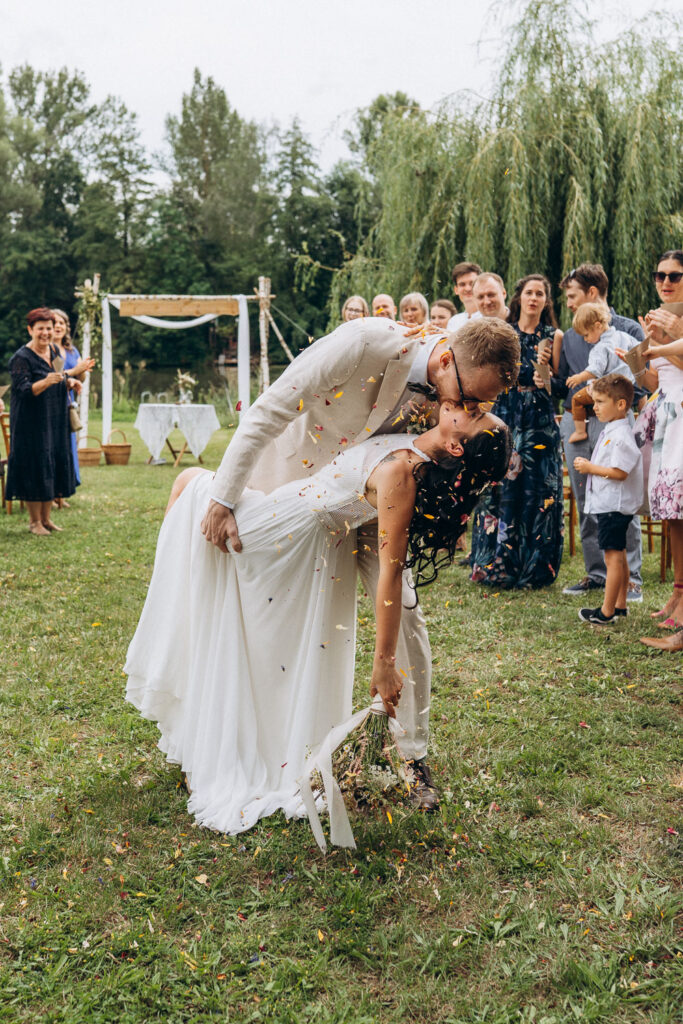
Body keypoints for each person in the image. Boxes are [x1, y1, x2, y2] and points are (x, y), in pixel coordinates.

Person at [126, 404, 511, 839]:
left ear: (456, 444)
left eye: (477, 415)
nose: (474, 406)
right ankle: (202, 718)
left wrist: (384, 661)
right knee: (194, 515)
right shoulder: (414, 432)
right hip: (290, 514)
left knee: (186, 483)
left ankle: (204, 726)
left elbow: (390, 571)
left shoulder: (402, 477)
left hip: (285, 531)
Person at [200, 316, 521, 808]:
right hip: (299, 488)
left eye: (481, 405)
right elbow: (272, 408)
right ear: (444, 360)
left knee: (407, 615)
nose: (469, 408)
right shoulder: (363, 343)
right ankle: (262, 734)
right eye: (471, 398)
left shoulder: (447, 393)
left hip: (379, 498)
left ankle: (412, 758)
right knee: (278, 622)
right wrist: (224, 497)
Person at [555, 263, 644, 602]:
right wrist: (544, 377)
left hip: (614, 421)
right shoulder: (574, 332)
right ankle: (597, 574)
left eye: (572, 296)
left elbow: (642, 376)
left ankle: (630, 579)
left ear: (592, 293)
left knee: (620, 497)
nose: (569, 303)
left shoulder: (628, 330)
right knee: (587, 496)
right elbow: (561, 379)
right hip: (575, 418)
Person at [470, 274, 564, 588]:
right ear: (519, 297)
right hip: (507, 415)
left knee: (538, 494)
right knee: (499, 490)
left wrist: (547, 379)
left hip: (539, 423)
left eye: (540, 293)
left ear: (546, 301)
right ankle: (495, 567)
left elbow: (561, 386)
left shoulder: (554, 335)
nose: (534, 298)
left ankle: (534, 570)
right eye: (529, 292)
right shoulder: (504, 332)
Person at [630, 250, 683, 652]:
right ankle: (678, 596)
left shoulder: (676, 321)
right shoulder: (658, 320)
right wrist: (635, 363)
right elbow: (653, 380)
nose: (666, 281)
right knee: (672, 515)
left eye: (675, 275)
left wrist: (669, 337)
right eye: (660, 274)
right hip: (666, 420)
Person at [573, 375, 643, 624]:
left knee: (612, 558)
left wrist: (590, 467)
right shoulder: (612, 430)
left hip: (614, 505)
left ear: (621, 404)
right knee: (620, 555)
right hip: (611, 504)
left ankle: (606, 611)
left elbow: (620, 472)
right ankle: (620, 604)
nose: (595, 407)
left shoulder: (622, 435)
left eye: (601, 402)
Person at [5, 308, 81, 535]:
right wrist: (47, 381)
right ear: (30, 330)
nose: (46, 332)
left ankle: (47, 520)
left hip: (54, 419)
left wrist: (70, 382)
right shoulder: (20, 358)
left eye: (49, 328)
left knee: (53, 463)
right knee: (34, 466)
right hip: (30, 423)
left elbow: (59, 376)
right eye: (41, 329)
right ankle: (34, 522)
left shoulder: (55, 351)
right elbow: (24, 390)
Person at [567, 303, 641, 443]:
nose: (585, 339)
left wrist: (579, 377)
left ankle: (580, 432)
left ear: (598, 326)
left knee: (576, 399)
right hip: (625, 388)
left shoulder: (601, 348)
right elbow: (639, 350)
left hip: (605, 389)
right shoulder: (623, 336)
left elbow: (595, 370)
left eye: (586, 334)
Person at [447, 262, 483, 331]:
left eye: (472, 283)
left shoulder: (490, 317)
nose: (468, 288)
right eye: (462, 284)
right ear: (456, 290)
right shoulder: (454, 322)